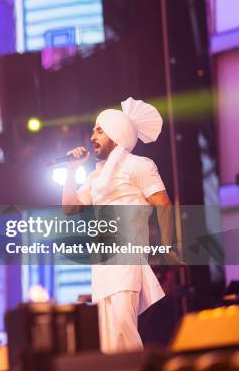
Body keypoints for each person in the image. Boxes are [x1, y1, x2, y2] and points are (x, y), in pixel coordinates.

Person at [61, 97, 182, 353]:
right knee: (108, 339)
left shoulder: (140, 165)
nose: (92, 135)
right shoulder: (96, 176)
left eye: (99, 130)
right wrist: (71, 171)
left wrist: (166, 245)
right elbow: (70, 208)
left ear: (116, 135)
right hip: (103, 263)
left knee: (123, 332)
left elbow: (163, 203)